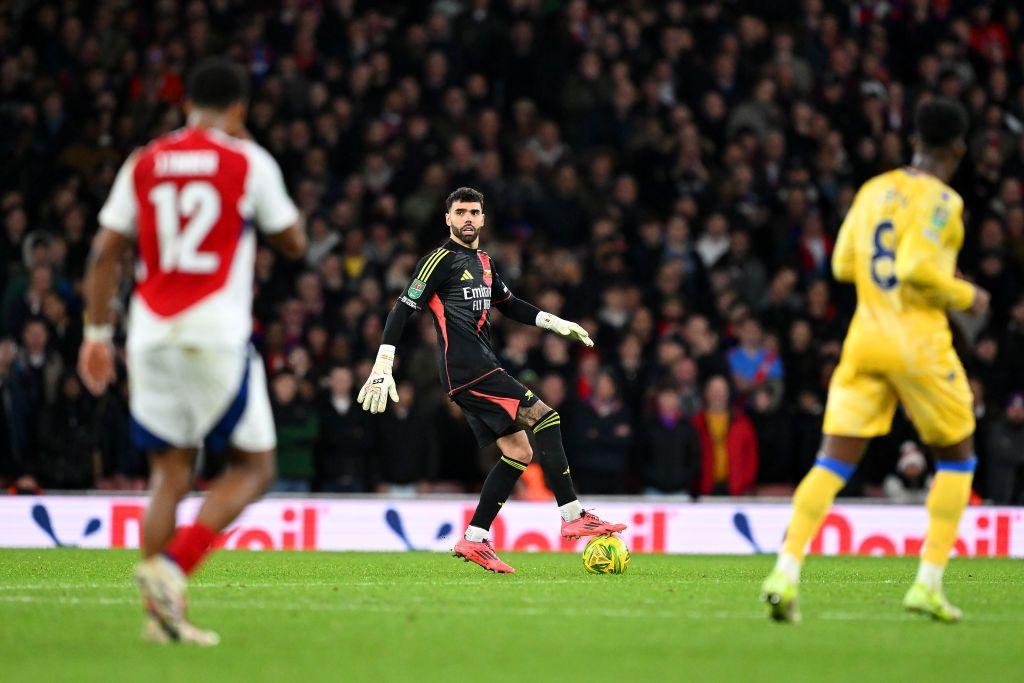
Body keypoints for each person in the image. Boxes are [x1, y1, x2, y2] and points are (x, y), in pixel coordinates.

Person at [78, 58, 307, 644]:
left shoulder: (145, 160)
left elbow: (105, 252)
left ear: (185, 108)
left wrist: (96, 336)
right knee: (255, 466)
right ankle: (172, 568)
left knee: (169, 473)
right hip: (215, 333)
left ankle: (162, 623)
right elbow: (294, 242)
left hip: (149, 333)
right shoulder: (246, 160)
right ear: (239, 110)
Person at [761, 98, 990, 623]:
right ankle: (928, 582)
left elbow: (842, 264)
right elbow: (914, 266)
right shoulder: (943, 201)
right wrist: (968, 296)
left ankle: (785, 570)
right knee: (958, 459)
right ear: (958, 148)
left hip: (865, 336)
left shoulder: (872, 190)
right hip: (918, 341)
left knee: (831, 461)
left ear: (913, 139)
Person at [358, 187, 625, 573]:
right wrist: (383, 363)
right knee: (545, 417)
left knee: (519, 452)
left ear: (484, 219)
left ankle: (476, 538)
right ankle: (572, 515)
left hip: (480, 366)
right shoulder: (439, 260)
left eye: (475, 212)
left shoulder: (484, 261)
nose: (468, 218)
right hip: (466, 367)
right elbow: (404, 305)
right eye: (460, 212)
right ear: (447, 219)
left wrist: (555, 322)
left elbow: (509, 304)